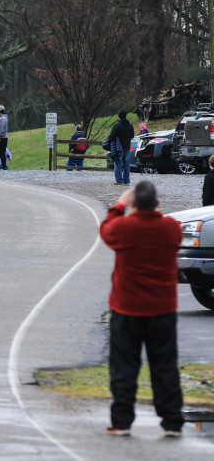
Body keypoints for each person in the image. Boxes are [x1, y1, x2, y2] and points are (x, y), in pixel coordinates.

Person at [99, 181, 184, 437]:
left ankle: (121, 421)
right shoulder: (172, 228)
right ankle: (172, 422)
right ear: (157, 203)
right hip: (162, 308)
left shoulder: (123, 228)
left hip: (127, 308)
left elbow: (106, 230)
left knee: (124, 366)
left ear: (134, 204)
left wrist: (119, 205)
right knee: (165, 366)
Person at [108, 110, 135, 186]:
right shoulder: (130, 125)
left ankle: (119, 180)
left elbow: (111, 136)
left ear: (119, 116)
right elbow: (132, 135)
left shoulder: (117, 125)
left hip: (118, 147)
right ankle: (127, 181)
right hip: (127, 146)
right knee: (126, 164)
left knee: (118, 163)